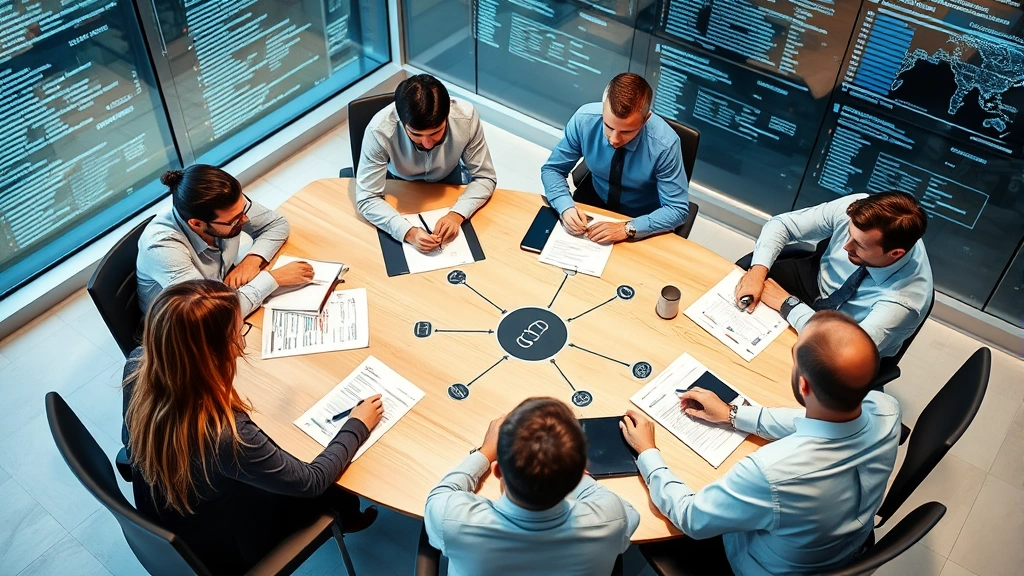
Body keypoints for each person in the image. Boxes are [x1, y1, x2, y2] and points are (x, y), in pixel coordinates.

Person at [122, 280, 383, 574]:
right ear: (214, 354)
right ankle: (347, 514)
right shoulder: (226, 434)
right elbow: (311, 482)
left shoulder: (137, 367)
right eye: (237, 333)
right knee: (333, 487)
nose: (242, 343)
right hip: (227, 546)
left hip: (174, 513)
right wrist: (357, 425)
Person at [621, 311, 900, 575]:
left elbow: (691, 518)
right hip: (842, 548)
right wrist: (732, 414)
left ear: (803, 386)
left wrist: (648, 452)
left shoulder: (771, 472)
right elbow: (810, 418)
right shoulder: (886, 408)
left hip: (763, 567)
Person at [424, 397, 640, 576]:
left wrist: (485, 452)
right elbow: (630, 515)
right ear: (578, 477)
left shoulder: (453, 519)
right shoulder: (611, 517)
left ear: (498, 470)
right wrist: (571, 469)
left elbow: (441, 493)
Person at [735, 191, 932, 358]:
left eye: (860, 245)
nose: (846, 247)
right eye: (848, 233)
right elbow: (782, 225)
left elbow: (845, 349)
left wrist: (788, 304)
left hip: (847, 331)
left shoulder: (905, 300)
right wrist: (757, 272)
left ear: (895, 253)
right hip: (816, 282)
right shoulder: (857, 208)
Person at [137, 165, 313, 316]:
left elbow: (276, 224)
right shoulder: (162, 248)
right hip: (184, 332)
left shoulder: (226, 209)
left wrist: (252, 260)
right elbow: (211, 312)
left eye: (244, 209)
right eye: (234, 220)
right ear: (197, 223)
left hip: (223, 296)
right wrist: (273, 279)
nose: (244, 220)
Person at [541, 72, 689, 244]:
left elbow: (677, 209)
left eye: (627, 131)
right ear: (603, 109)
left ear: (646, 119)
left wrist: (628, 228)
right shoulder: (584, 120)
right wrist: (565, 206)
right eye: (608, 126)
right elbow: (553, 170)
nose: (614, 139)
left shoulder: (665, 145)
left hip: (640, 216)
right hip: (594, 200)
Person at [356, 74, 496, 253]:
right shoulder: (379, 131)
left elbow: (485, 177)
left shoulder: (466, 117)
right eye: (416, 134)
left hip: (448, 181)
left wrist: (457, 214)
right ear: (401, 121)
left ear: (447, 115)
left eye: (436, 132)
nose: (428, 143)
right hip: (398, 184)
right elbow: (367, 197)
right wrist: (407, 232)